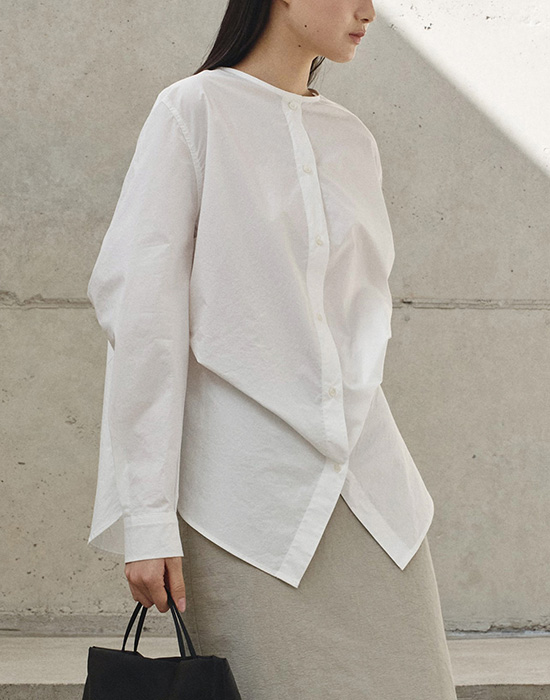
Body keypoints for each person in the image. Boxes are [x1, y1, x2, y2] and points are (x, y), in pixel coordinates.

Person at [86, 0, 458, 697]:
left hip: (371, 493)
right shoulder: (193, 112)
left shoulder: (352, 139)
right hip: (244, 500)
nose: (368, 12)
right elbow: (144, 320)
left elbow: (359, 317)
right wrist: (147, 518)